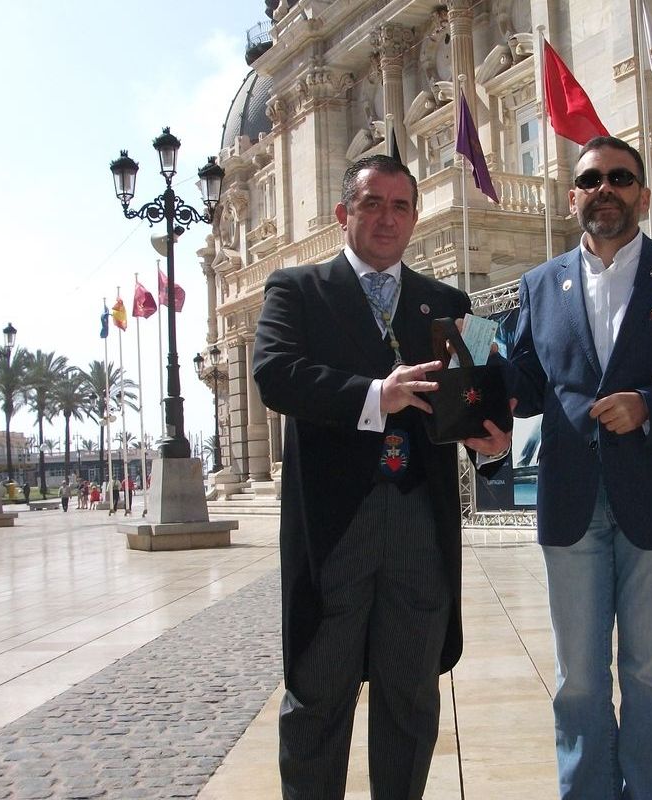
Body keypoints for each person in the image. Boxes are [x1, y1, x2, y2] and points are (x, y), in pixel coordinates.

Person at [251, 154, 511, 799]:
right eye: (372, 204)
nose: (386, 218)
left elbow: (479, 397)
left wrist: (494, 444)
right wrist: (375, 395)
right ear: (344, 214)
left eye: (400, 206)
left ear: (415, 218)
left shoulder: (451, 304)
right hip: (337, 529)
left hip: (420, 526)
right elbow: (275, 373)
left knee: (411, 697)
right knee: (319, 695)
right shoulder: (298, 290)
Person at [503, 136, 652, 799]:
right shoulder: (539, 285)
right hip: (571, 503)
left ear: (643, 195)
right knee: (578, 677)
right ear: (572, 196)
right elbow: (520, 383)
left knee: (650, 672)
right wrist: (468, 375)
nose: (606, 188)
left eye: (621, 177)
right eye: (591, 179)